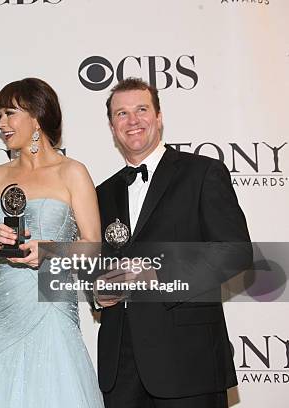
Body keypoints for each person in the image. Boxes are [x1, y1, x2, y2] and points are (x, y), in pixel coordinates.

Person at [95, 77, 252, 408]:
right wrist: (96, 291)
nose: (132, 120)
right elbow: (97, 264)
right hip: (121, 368)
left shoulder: (203, 173)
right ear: (112, 127)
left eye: (141, 109)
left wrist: (158, 278)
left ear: (159, 116)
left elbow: (234, 253)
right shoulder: (101, 193)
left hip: (188, 360)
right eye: (121, 114)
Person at [0, 78, 104, 408]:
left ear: (37, 117)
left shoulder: (71, 172)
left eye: (10, 113)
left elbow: (94, 245)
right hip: (2, 302)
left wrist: (48, 250)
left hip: (51, 295)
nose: (2, 124)